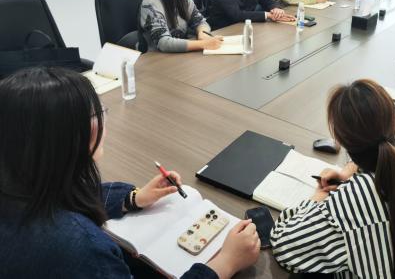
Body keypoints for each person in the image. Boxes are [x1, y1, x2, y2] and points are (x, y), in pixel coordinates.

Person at [0, 67, 260, 278]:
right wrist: (224, 264)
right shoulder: (82, 249)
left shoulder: (19, 183)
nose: (103, 120)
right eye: (97, 113)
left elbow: (67, 194)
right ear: (75, 135)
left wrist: (133, 198)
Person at [271, 79, 395, 278]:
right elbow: (381, 153)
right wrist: (348, 173)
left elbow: (283, 245)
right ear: (394, 120)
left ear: (340, 140)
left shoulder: (348, 203)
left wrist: (318, 197)